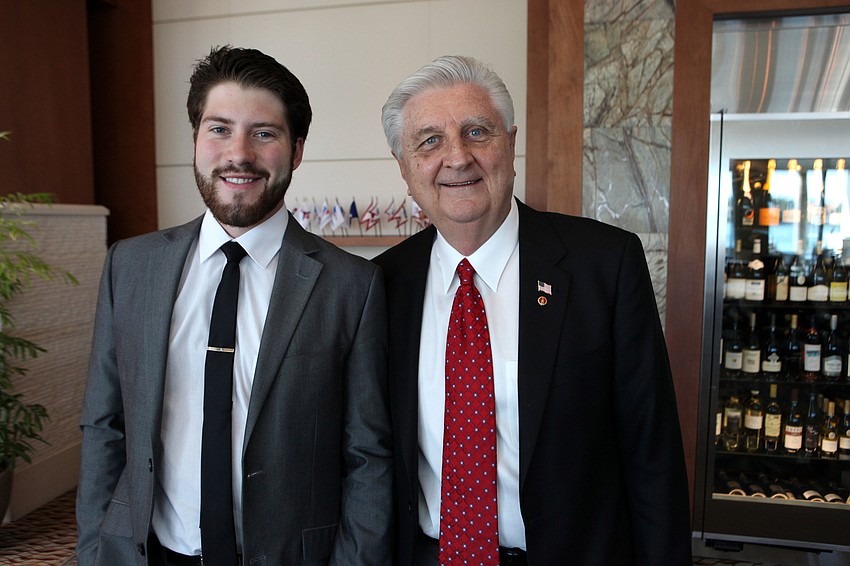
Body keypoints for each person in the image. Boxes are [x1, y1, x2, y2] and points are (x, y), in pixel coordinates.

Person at [76, 46, 393, 566]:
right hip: (149, 553)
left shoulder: (351, 287)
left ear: (296, 151)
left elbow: (367, 457)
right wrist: (93, 549)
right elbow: (105, 424)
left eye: (264, 133)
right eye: (219, 129)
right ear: (196, 140)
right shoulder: (129, 267)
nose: (238, 153)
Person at [373, 55, 692, 565]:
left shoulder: (604, 265)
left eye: (478, 132)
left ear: (511, 145)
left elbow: (653, 459)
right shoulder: (381, 285)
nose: (457, 158)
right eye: (429, 141)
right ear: (406, 169)